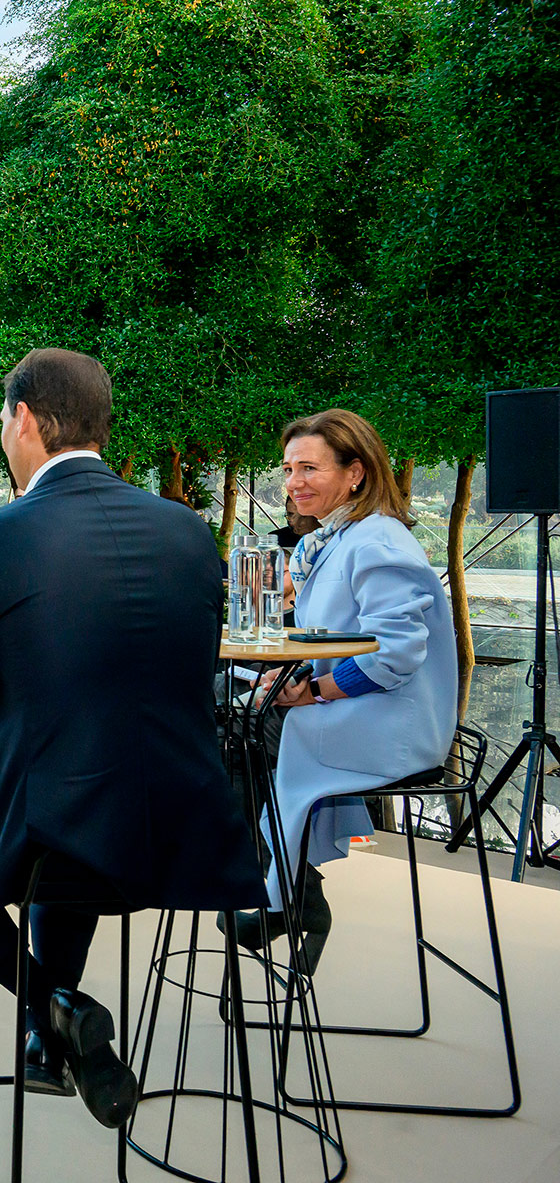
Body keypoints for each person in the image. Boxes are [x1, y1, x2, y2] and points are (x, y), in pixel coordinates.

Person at [0, 348, 266, 1128]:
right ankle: (46, 1041)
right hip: (183, 825)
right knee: (67, 818)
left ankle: (52, 1003)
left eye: (0, 419)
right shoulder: (188, 533)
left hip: (52, 824)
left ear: (24, 418)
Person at [227, 409, 458, 972]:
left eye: (309, 468)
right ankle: (285, 889)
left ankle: (267, 886)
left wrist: (315, 691)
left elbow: (397, 651)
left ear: (355, 473)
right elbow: (300, 614)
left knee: (232, 734)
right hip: (356, 706)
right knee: (226, 708)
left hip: (390, 720)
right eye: (287, 469)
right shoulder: (334, 537)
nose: (293, 483)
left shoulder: (380, 541)